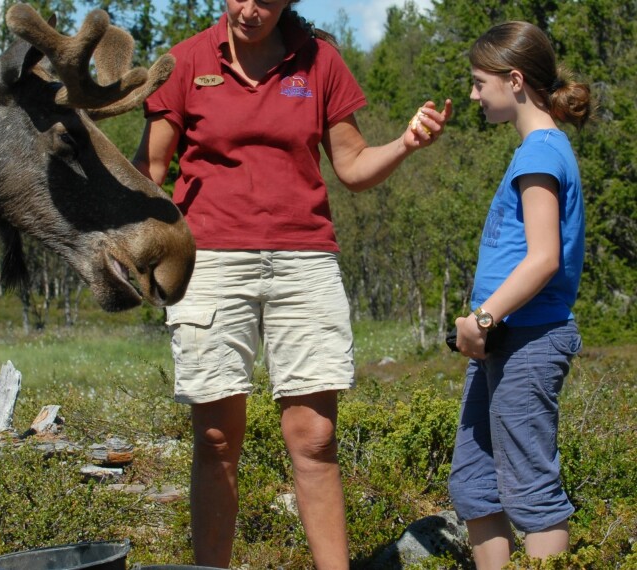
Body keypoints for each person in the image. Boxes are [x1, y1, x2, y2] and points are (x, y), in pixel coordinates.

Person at [132, 0, 452, 566]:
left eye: (268, 0)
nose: (251, 10)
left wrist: (405, 143)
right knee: (215, 440)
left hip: (304, 261)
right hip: (210, 262)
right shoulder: (183, 64)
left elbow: (351, 167)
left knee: (314, 438)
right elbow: (150, 172)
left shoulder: (319, 62)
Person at [449, 21, 592, 570]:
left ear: (514, 81)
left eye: (479, 82)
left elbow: (543, 258)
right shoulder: (540, 149)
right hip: (503, 340)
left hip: (526, 340)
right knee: (474, 483)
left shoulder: (540, 154)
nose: (473, 94)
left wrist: (480, 320)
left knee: (530, 488)